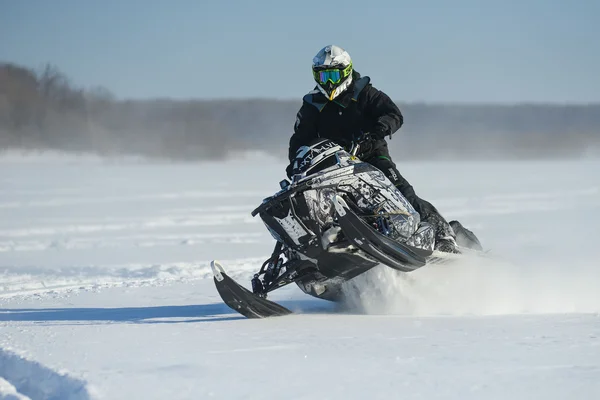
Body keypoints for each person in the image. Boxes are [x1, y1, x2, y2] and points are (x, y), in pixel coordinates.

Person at [286, 45, 459, 253]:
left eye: (333, 75)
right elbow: (300, 139)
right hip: (332, 165)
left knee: (402, 190)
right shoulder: (312, 105)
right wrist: (295, 164)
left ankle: (444, 235)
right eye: (324, 77)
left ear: (346, 71)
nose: (329, 82)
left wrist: (376, 132)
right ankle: (318, 247)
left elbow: (393, 114)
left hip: (371, 155)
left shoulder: (365, 93)